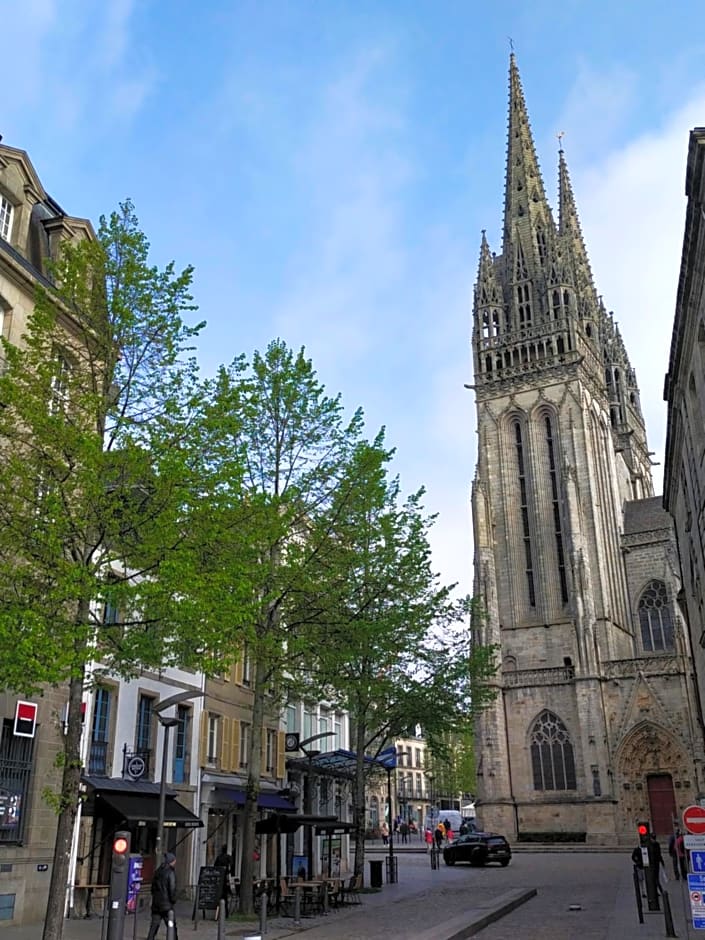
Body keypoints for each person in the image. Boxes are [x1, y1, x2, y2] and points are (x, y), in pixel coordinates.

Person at [147, 852, 178, 940]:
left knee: (154, 925)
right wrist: (173, 900)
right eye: (174, 861)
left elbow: (153, 888)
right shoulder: (170, 873)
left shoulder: (158, 871)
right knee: (171, 925)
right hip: (166, 904)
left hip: (156, 903)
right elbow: (172, 889)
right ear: (171, 861)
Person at [213, 844, 232, 916]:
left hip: (219, 878)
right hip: (225, 878)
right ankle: (226, 912)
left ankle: (218, 911)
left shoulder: (219, 857)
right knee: (225, 895)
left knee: (220, 895)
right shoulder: (228, 857)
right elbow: (231, 866)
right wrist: (228, 872)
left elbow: (215, 867)